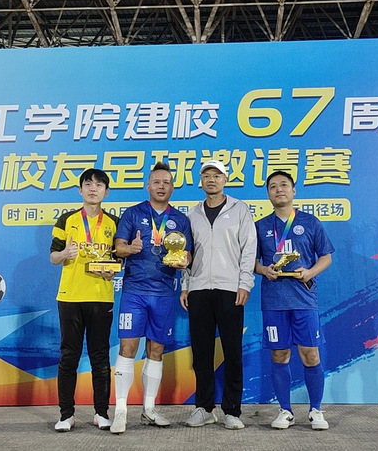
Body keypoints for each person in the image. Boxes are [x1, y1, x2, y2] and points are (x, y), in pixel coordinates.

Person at [109, 162, 193, 434]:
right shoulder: (133, 213)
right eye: (156, 182)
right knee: (128, 348)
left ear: (172, 188)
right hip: (134, 292)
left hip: (164, 293)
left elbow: (188, 254)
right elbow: (118, 248)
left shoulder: (180, 219)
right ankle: (121, 410)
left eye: (166, 182)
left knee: (156, 351)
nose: (161, 186)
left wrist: (183, 261)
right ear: (148, 186)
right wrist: (129, 248)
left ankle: (149, 409)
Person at [254, 170, 334, 430]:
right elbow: (251, 261)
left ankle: (316, 410)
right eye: (273, 186)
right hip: (274, 301)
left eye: (284, 185)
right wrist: (263, 270)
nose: (279, 189)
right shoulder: (260, 226)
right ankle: (285, 411)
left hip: (304, 300)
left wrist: (310, 272)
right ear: (268, 194)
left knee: (310, 354)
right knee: (279, 354)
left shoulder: (310, 222)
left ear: (293, 190)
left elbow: (326, 257)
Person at [180, 159, 257, 430]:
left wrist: (245, 283)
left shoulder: (240, 209)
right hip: (199, 289)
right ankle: (204, 408)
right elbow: (186, 254)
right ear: (200, 181)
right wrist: (186, 285)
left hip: (230, 289)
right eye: (206, 176)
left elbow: (249, 249)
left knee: (232, 352)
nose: (211, 180)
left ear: (225, 180)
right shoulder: (192, 214)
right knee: (201, 353)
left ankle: (232, 410)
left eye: (217, 175)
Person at [49, 168, 120, 432]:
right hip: (70, 297)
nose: (93, 188)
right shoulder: (66, 220)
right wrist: (65, 254)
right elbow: (53, 257)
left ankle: (101, 413)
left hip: (101, 297)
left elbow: (118, 260)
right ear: (80, 190)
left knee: (100, 358)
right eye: (88, 184)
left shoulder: (114, 222)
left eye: (99, 185)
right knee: (69, 356)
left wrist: (111, 269)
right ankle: (66, 415)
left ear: (106, 192)